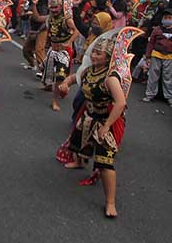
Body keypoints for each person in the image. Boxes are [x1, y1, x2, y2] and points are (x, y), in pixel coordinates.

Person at [58, 27, 141, 218]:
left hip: (105, 119)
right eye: (94, 52)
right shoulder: (89, 71)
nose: (94, 55)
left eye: (99, 53)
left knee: (105, 163)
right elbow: (74, 78)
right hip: (88, 115)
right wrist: (64, 85)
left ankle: (110, 202)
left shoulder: (110, 78)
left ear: (108, 57)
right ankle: (79, 162)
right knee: (77, 140)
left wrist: (106, 126)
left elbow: (121, 103)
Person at [42, 0, 78, 112]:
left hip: (63, 52)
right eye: (51, 7)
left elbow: (76, 32)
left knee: (60, 76)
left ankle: (54, 101)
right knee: (46, 71)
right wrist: (47, 43)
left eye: (55, 7)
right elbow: (49, 31)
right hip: (53, 50)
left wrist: (68, 43)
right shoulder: (50, 18)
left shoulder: (66, 19)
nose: (53, 10)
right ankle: (54, 87)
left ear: (61, 6)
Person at [143, 9, 172, 105]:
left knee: (168, 78)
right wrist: (148, 56)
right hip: (156, 54)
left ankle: (169, 97)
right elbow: (151, 43)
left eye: (169, 18)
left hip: (169, 57)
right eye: (165, 18)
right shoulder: (157, 30)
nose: (167, 20)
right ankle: (149, 95)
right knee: (153, 76)